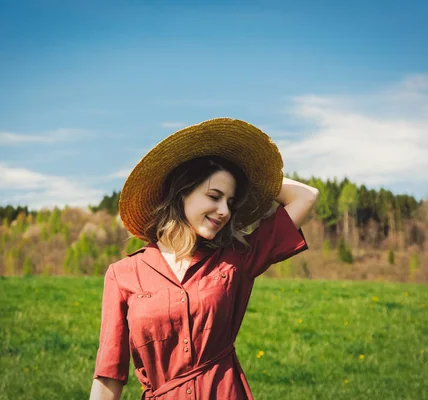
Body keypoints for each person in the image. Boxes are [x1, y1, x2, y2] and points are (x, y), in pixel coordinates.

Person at [90, 118, 319, 400]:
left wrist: (252, 175)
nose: (224, 210)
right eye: (214, 196)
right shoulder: (123, 274)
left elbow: (306, 196)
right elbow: (109, 374)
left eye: (231, 202)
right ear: (182, 192)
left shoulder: (237, 258)